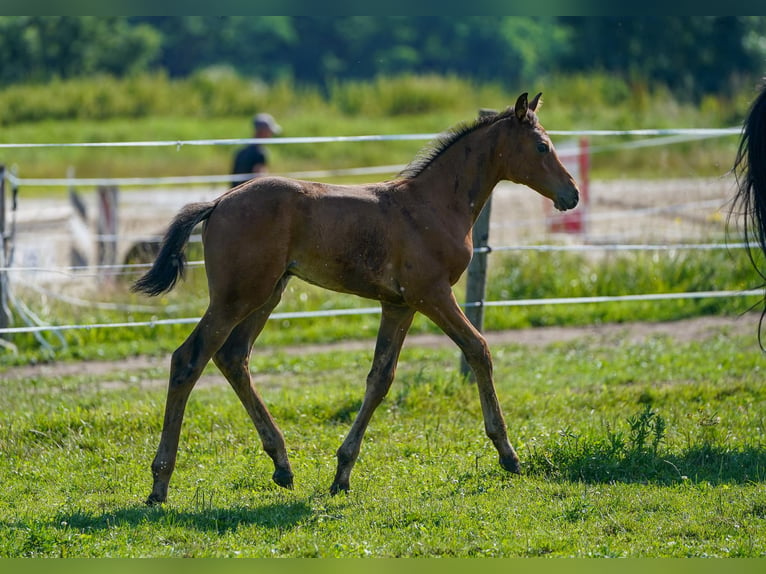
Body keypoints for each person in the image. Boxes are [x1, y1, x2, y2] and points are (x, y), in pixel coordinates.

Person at [231, 112, 282, 188]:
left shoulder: (240, 151)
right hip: (250, 195)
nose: (271, 135)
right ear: (263, 131)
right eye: (269, 132)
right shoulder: (260, 152)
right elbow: (261, 180)